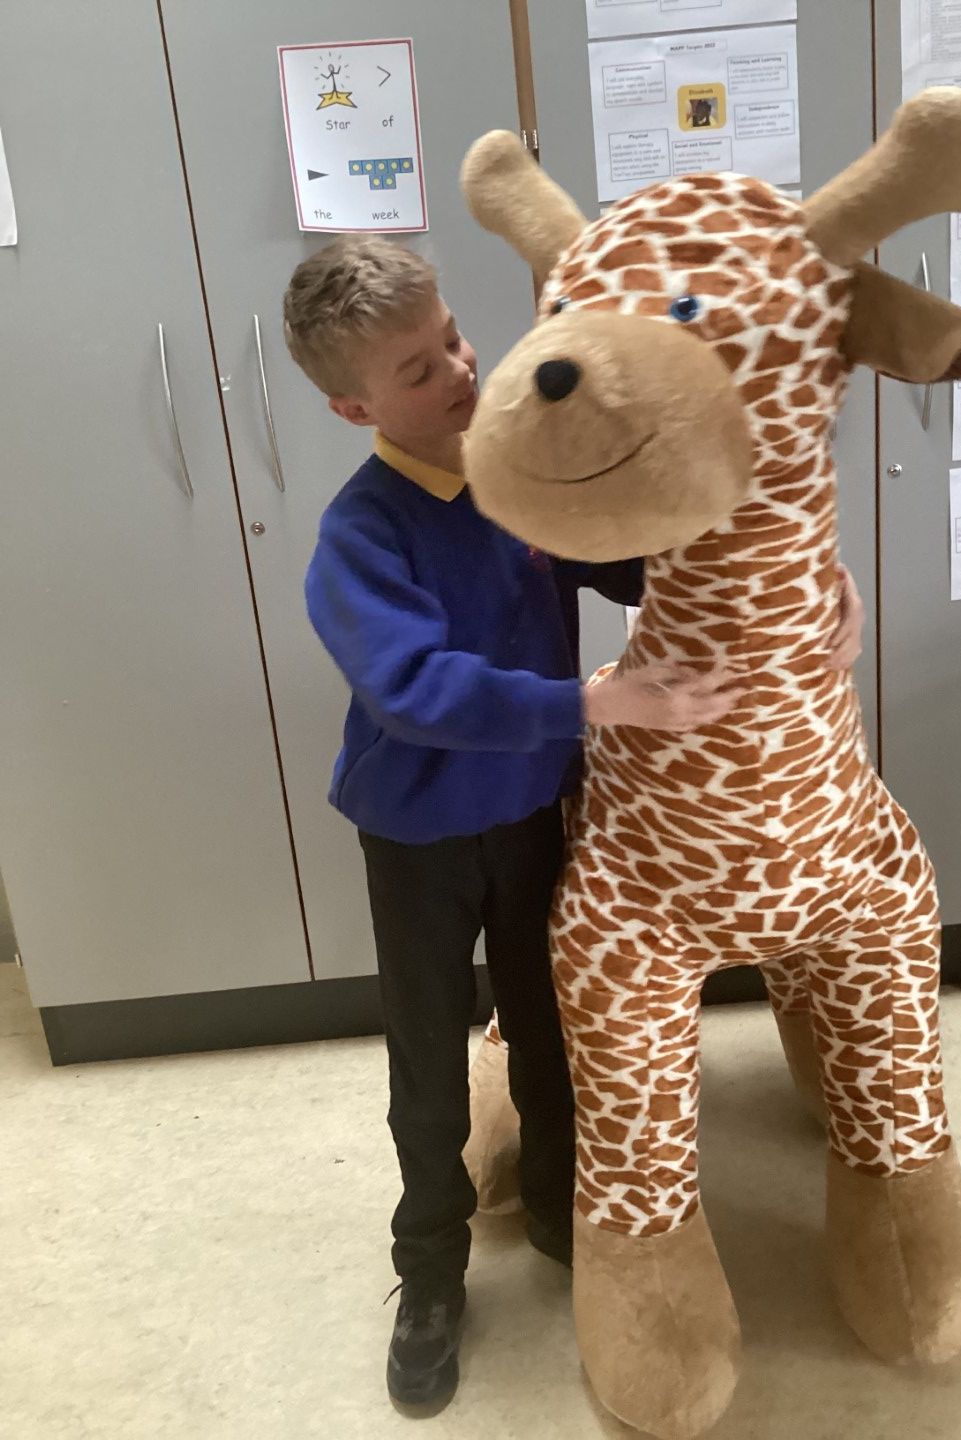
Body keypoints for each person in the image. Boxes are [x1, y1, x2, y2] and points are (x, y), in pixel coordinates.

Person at [282, 236, 865, 1414]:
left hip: (535, 816)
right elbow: (414, 690)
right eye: (417, 369)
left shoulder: (521, 474)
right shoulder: (361, 535)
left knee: (549, 1026)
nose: (459, 368)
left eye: (453, 337)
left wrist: (788, 574)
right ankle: (431, 1269)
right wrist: (593, 702)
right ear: (354, 408)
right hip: (420, 838)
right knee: (430, 1060)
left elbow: (630, 552)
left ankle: (557, 1204)